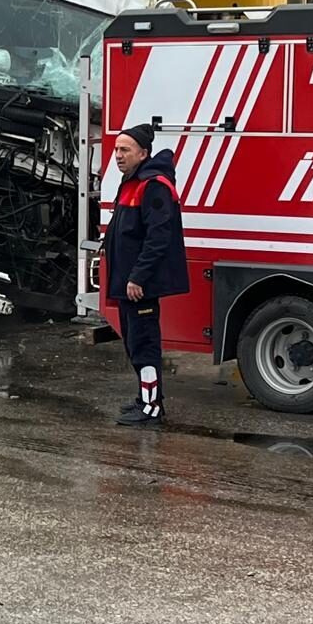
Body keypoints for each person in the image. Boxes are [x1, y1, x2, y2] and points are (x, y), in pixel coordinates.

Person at [103, 124, 189, 428]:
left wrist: (138, 277)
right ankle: (145, 398)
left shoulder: (154, 185)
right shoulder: (132, 181)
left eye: (124, 150)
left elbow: (158, 237)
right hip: (128, 284)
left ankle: (152, 408)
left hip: (140, 286)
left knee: (144, 345)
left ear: (143, 153)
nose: (118, 155)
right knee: (134, 343)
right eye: (116, 149)